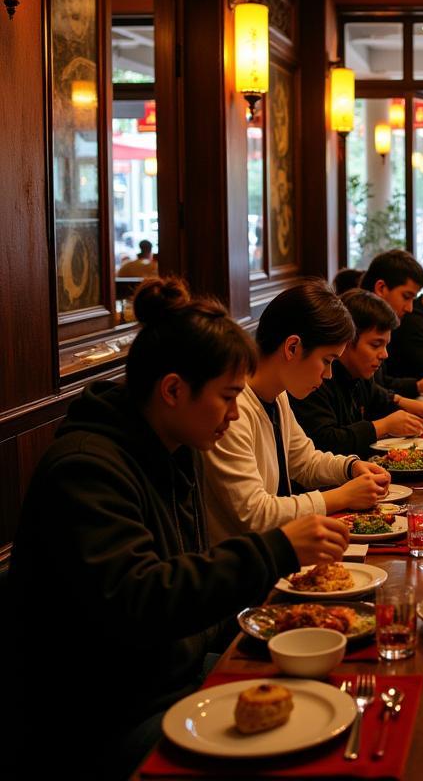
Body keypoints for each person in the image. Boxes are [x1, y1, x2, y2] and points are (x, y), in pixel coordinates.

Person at [9, 277, 351, 779]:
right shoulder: (86, 469)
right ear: (173, 390)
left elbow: (189, 585)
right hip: (103, 724)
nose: (235, 414)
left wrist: (275, 621)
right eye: (228, 397)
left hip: (174, 677)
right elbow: (142, 602)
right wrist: (275, 551)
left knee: (334, 692)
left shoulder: (175, 449)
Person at [202, 279, 391, 544]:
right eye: (326, 361)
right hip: (246, 569)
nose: (328, 375)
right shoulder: (231, 411)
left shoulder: (278, 395)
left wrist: (351, 467)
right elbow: (255, 514)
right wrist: (342, 496)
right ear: (292, 347)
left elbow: (303, 460)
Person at [290, 290, 423, 458]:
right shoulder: (317, 377)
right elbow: (324, 442)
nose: (384, 354)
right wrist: (384, 426)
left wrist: (404, 402)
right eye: (376, 345)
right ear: (346, 340)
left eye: (386, 345)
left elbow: (377, 396)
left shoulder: (359, 374)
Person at [360, 249, 423, 397]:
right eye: (406, 296)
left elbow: (381, 383)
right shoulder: (356, 323)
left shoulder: (380, 323)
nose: (410, 308)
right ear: (381, 288)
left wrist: (418, 386)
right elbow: (370, 396)